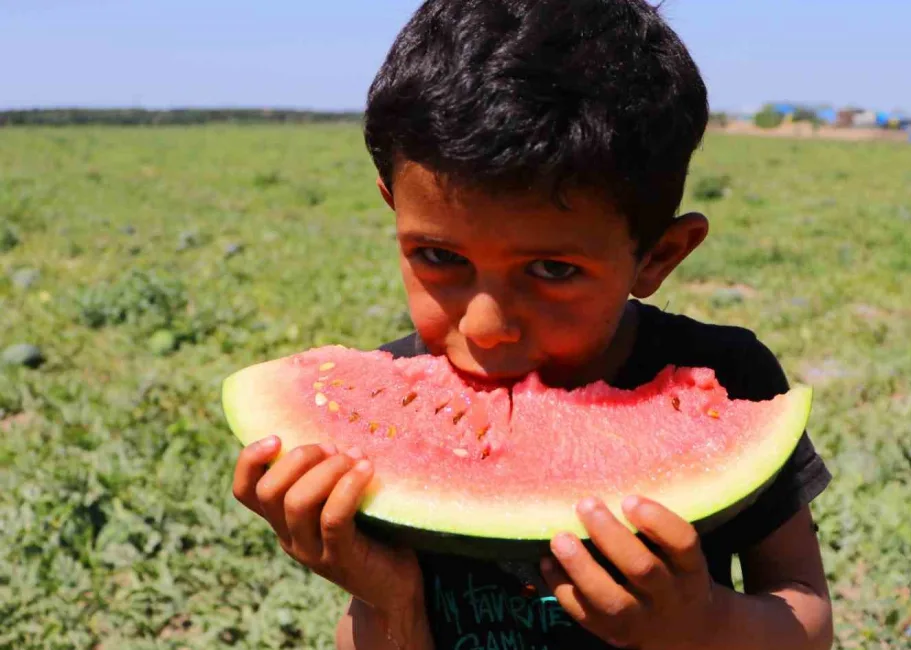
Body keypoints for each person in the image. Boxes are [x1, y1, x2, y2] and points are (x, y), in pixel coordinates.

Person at [232, 1, 833, 648]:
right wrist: (387, 594)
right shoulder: (381, 420)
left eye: (551, 269)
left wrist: (703, 624)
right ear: (393, 206)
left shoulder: (730, 377)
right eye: (439, 257)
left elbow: (805, 613)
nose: (486, 327)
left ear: (658, 256)